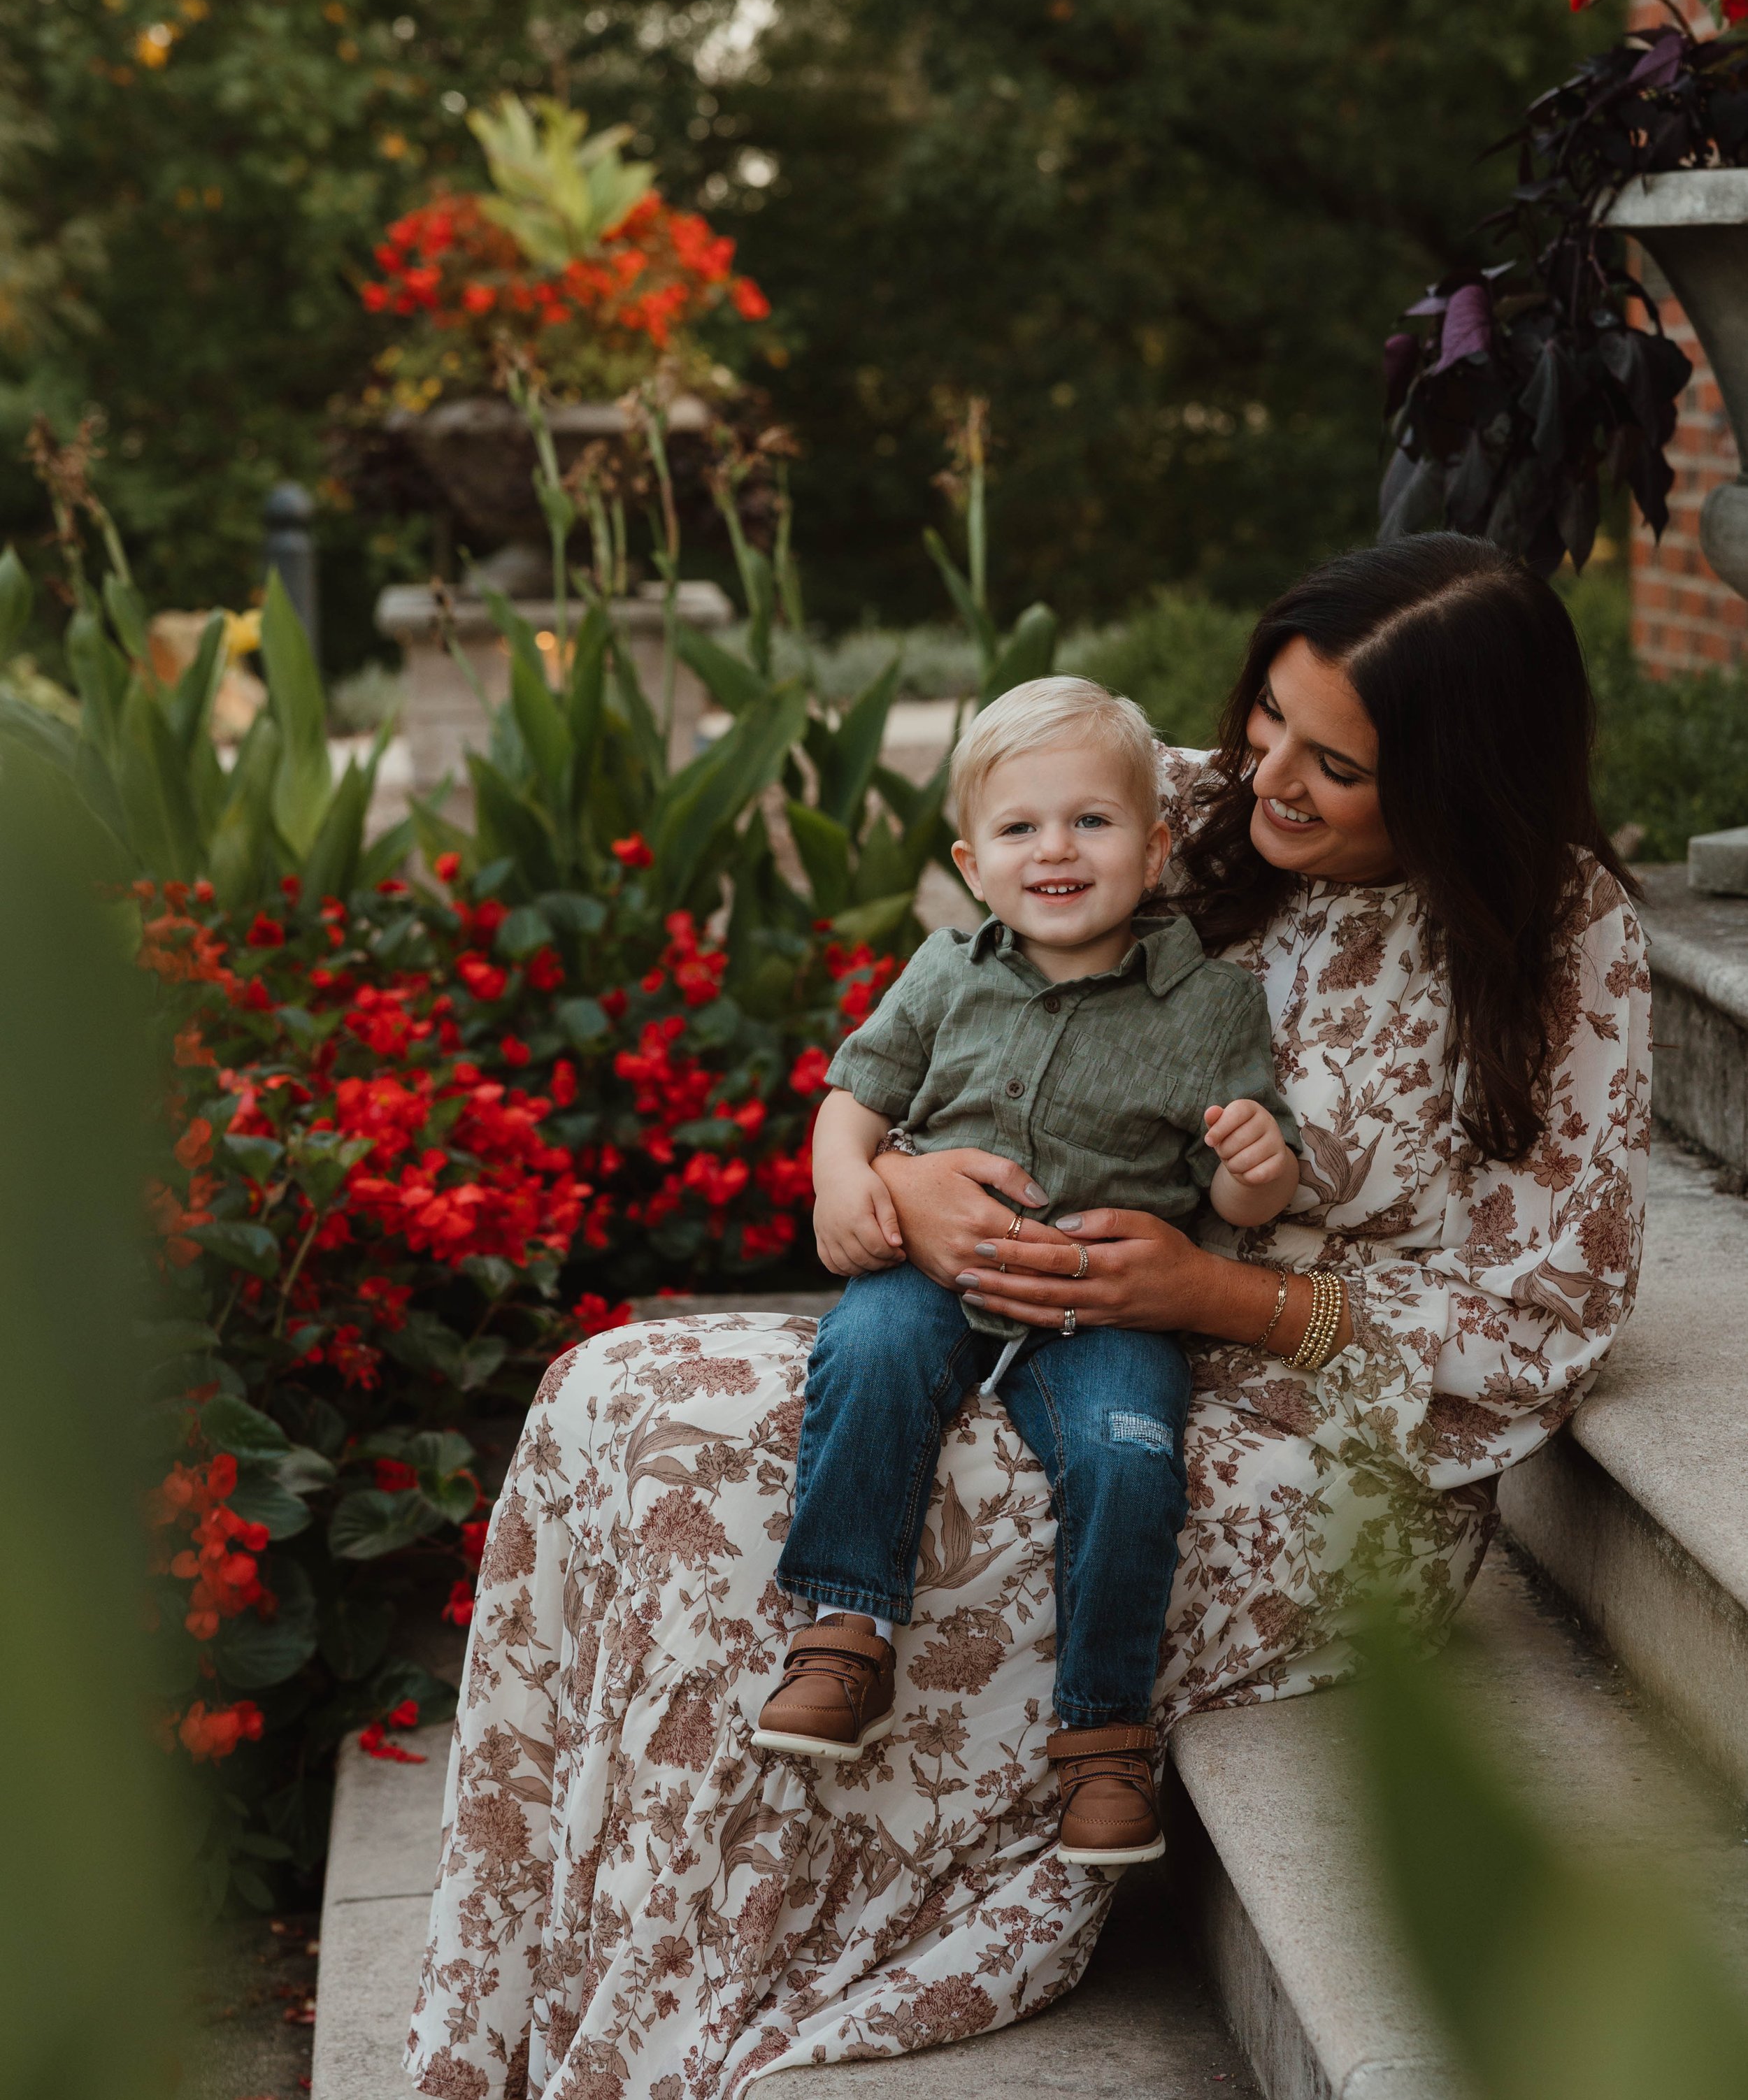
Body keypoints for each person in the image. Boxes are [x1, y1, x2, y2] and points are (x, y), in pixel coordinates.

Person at [408, 535, 1652, 2100]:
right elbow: (964, 972)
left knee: (718, 1495)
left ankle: (688, 1999)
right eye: (1264, 716)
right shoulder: (1185, 810)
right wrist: (896, 1180)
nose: (1264, 776)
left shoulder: (1561, 949)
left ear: (1463, 786)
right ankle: (541, 1992)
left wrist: (1225, 1294)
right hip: (1009, 1310)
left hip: (1312, 1436)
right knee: (617, 1399)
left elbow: (1543, 1319)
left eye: (1330, 764)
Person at [751, 677, 1303, 1871]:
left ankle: (1104, 1738)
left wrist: (1256, 1167)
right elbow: (859, 1093)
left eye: (1092, 822)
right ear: (972, 859)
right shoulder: (949, 971)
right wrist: (840, 1179)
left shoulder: (1208, 1004)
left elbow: (1238, 1189)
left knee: (1128, 1448)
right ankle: (845, 1631)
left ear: (1154, 848)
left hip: (1110, 1302)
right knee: (870, 1348)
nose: (1056, 847)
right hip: (933, 1274)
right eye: (1019, 827)